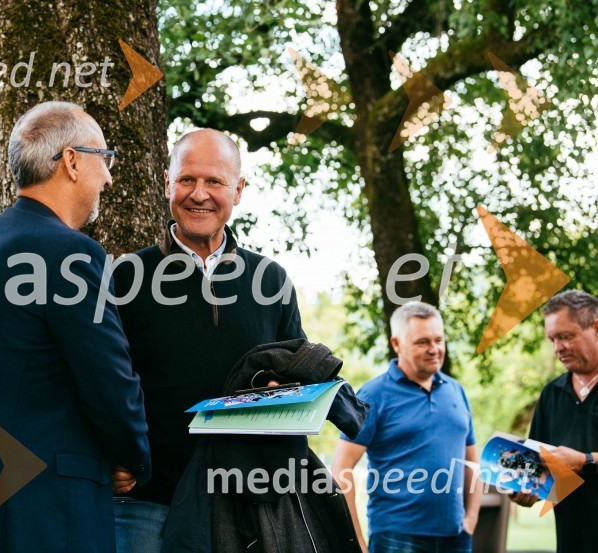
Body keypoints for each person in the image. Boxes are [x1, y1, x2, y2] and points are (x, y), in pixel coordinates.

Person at [0, 101, 151, 553]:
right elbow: (110, 383)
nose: (109, 178)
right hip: (38, 518)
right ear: (72, 161)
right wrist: (133, 458)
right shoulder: (70, 254)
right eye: (104, 158)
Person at [110, 129, 307, 552]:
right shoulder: (126, 277)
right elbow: (98, 381)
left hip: (244, 504)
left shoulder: (271, 281)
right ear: (167, 183)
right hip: (148, 505)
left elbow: (300, 381)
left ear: (238, 190)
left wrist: (285, 391)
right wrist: (108, 454)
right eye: (187, 179)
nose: (199, 194)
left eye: (214, 181)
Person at [332, 302, 481, 553]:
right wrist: (357, 543)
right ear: (396, 344)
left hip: (456, 537)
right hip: (396, 538)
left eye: (439, 340)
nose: (434, 349)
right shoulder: (373, 395)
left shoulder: (456, 391)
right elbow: (341, 468)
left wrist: (471, 519)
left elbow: (472, 462)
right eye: (422, 342)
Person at [510, 289, 598, 552]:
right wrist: (526, 490)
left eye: (566, 336)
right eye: (553, 339)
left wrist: (585, 461)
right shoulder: (551, 394)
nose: (558, 348)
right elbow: (541, 470)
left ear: (596, 328)